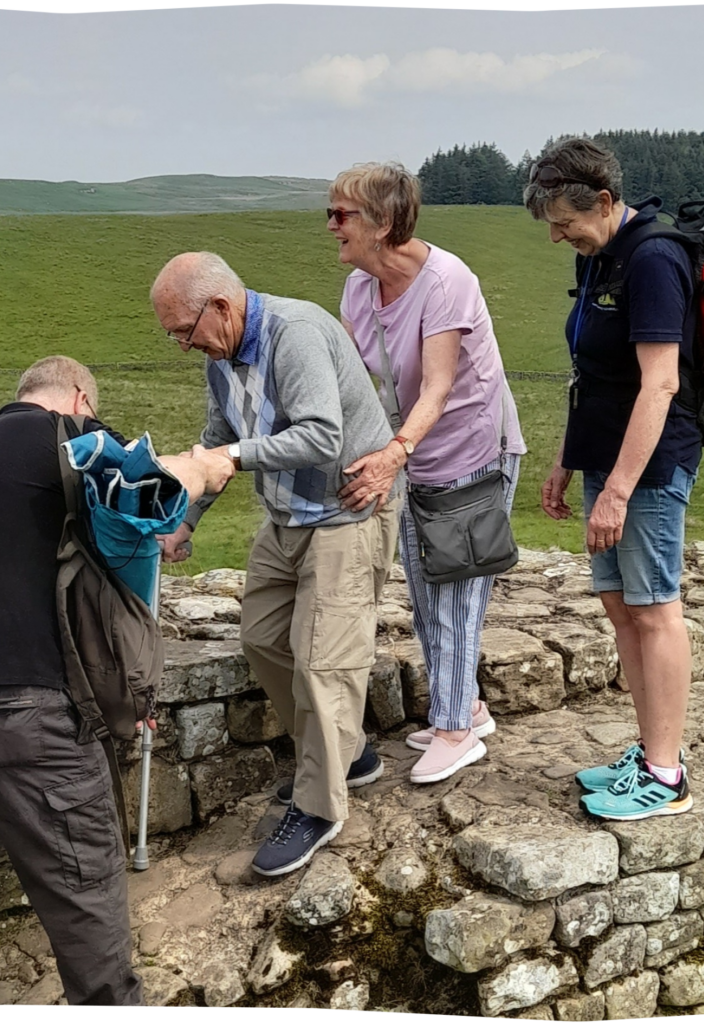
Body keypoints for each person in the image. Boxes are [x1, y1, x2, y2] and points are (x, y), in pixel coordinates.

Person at [0, 356, 235, 1009]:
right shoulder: (69, 440)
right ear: (77, 398)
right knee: (82, 873)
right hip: (18, 699)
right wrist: (204, 468)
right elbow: (142, 490)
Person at [151, 252, 402, 877]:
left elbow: (321, 435)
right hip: (288, 516)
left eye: (185, 330)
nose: (183, 346)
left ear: (221, 307)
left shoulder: (297, 335)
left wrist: (234, 458)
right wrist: (186, 521)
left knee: (323, 662)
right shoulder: (222, 359)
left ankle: (319, 808)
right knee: (262, 639)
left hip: (345, 515)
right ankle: (350, 755)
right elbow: (213, 443)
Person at [329, 161, 526, 785]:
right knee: (424, 591)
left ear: (383, 223)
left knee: (458, 597)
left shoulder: (446, 280)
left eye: (342, 215)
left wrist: (393, 454)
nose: (331, 226)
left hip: (471, 454)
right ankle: (462, 706)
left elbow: (439, 385)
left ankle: (455, 731)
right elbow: (356, 385)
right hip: (414, 457)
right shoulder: (360, 287)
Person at [523, 137, 700, 820]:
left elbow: (659, 384)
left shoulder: (653, 259)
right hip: (605, 457)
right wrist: (570, 460)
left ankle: (666, 775)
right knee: (621, 608)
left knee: (655, 611)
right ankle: (652, 749)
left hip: (649, 467)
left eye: (565, 223)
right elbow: (594, 373)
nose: (559, 238)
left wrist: (620, 490)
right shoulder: (600, 256)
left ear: (602, 200)